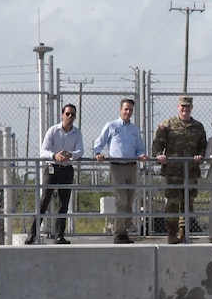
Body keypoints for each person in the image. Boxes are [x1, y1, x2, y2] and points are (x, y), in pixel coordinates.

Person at [25, 104, 83, 245]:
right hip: (52, 168)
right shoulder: (53, 131)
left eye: (73, 115)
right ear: (62, 115)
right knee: (44, 201)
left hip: (67, 169)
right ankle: (32, 234)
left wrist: (71, 155)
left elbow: (80, 151)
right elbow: (43, 151)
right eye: (68, 114)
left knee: (63, 204)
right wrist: (54, 155)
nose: (70, 117)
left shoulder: (77, 133)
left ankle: (59, 236)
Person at [152, 96, 207, 244]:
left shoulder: (198, 126)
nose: (185, 109)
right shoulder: (167, 125)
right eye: (183, 106)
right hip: (173, 171)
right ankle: (171, 233)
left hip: (191, 171)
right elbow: (158, 144)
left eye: (188, 107)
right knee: (172, 203)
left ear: (191, 108)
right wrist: (159, 156)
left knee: (188, 203)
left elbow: (203, 145)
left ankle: (184, 232)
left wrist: (200, 155)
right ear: (178, 107)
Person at [93, 98, 148, 244]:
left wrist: (141, 155)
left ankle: (124, 232)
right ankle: (117, 233)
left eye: (130, 110)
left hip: (131, 166)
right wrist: (98, 153)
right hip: (116, 166)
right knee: (121, 200)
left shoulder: (134, 130)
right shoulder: (111, 126)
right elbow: (99, 143)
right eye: (126, 109)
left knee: (130, 201)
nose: (128, 112)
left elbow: (140, 148)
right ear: (120, 110)